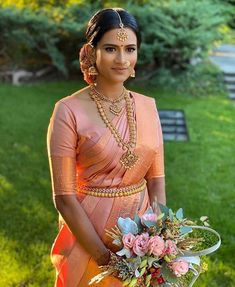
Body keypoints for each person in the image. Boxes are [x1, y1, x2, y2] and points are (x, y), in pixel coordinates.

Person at [47, 7, 166, 287]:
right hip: (88, 230)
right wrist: (104, 257)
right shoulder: (68, 110)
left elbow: (157, 181)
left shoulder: (148, 106)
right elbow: (64, 197)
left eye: (130, 49)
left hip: (140, 232)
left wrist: (156, 236)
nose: (122, 59)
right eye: (111, 48)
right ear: (92, 52)